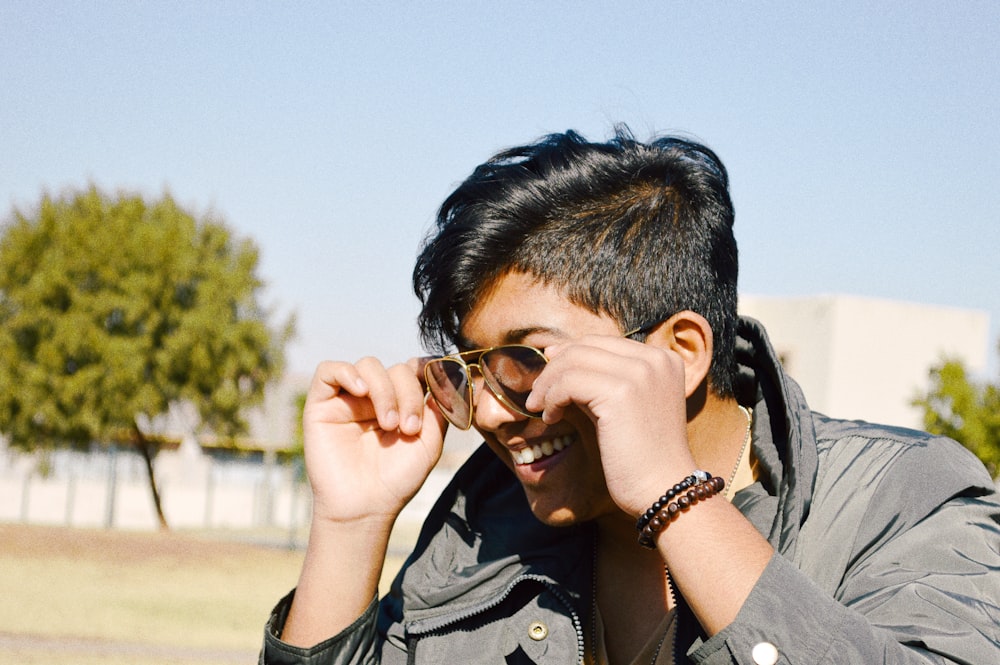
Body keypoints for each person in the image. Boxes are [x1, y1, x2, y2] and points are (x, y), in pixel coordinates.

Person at [261, 128, 1000, 664]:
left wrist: (674, 496)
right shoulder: (486, 514)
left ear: (679, 352)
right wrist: (351, 521)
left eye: (523, 360)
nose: (488, 410)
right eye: (472, 370)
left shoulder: (908, 498)